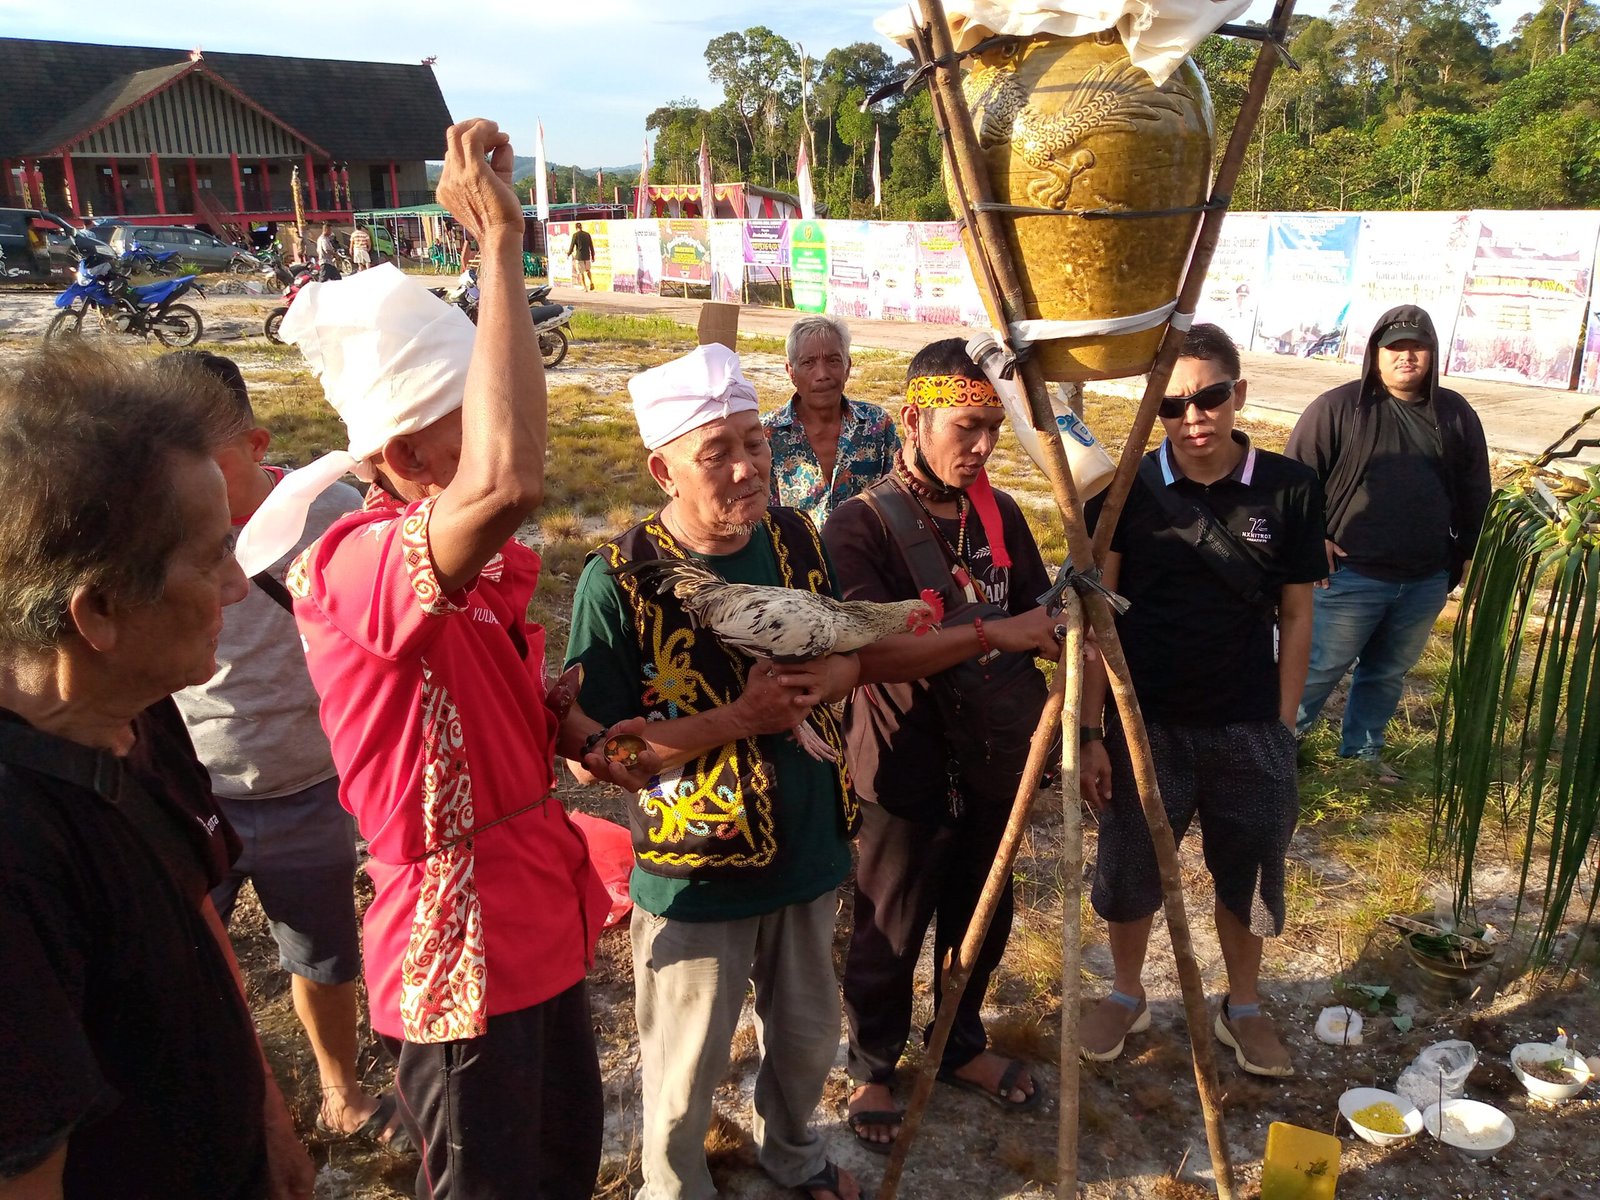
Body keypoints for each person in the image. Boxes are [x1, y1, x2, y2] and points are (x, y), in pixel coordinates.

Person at [247, 119, 648, 1200]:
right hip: (457, 943)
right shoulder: (356, 563)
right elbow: (514, 478)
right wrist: (499, 251)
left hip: (536, 908)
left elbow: (482, 713)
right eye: (462, 416)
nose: (489, 429)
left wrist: (560, 726)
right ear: (400, 456)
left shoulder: (468, 576)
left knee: (559, 1163)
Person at [0, 345, 313, 1200]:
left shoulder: (135, 710)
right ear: (97, 608)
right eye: (212, 557)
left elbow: (189, 908)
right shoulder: (19, 857)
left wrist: (267, 1118)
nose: (241, 587)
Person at [564, 343, 869, 1200]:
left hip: (811, 844)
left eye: (756, 444)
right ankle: (676, 1189)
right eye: (717, 453)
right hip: (699, 872)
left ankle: (795, 1156)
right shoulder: (619, 580)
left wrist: (839, 673)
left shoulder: (795, 536)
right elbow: (603, 754)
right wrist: (739, 720)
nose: (746, 470)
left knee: (807, 1040)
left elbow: (849, 647)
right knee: (683, 1067)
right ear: (662, 468)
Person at [822, 338, 1064, 1151]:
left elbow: (1041, 616)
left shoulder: (1003, 518)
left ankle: (958, 1044)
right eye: (966, 426)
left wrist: (1066, 634)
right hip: (902, 758)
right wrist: (999, 630)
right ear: (913, 418)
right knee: (888, 922)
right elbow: (869, 653)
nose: (983, 447)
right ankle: (873, 1064)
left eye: (994, 427)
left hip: (997, 751)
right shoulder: (858, 525)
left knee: (981, 914)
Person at [162, 353, 404, 1153]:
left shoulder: (331, 512)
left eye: (203, 462)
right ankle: (215, 1108)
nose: (179, 483)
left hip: (311, 785)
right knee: (184, 972)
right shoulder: (147, 526)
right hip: (196, 791)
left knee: (324, 954)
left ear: (257, 443)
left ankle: (340, 1090)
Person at [1077, 323, 1325, 1078]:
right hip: (1141, 724)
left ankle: (1242, 1006)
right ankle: (1126, 995)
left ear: (1237, 395)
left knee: (1248, 873)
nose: (1194, 417)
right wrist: (1090, 732)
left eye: (1209, 397)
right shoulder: (1123, 492)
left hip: (1248, 722)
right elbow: (1097, 617)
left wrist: (1283, 725)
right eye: (1174, 404)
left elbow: (1298, 613)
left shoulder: (1290, 489)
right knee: (1128, 870)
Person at [1287, 305, 1491, 780]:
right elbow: (1295, 481)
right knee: (1319, 669)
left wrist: (1467, 554)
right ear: (1375, 354)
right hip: (1348, 576)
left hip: (1424, 579)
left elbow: (1474, 488)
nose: (1406, 357)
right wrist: (1310, 538)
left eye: (1416, 346)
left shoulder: (1455, 413)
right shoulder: (1338, 408)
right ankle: (1279, 748)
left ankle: (1362, 755)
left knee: (1386, 673)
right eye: (1394, 347)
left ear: (1432, 353)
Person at [763, 313, 902, 530]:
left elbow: (898, 498)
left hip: (866, 557)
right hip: (795, 560)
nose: (822, 374)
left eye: (833, 361)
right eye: (808, 363)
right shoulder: (766, 434)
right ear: (791, 372)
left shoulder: (877, 425)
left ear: (847, 366)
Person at [570, 221, 595, 290]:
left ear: (576, 228)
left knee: (581, 273)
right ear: (581, 227)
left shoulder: (575, 235)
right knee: (588, 270)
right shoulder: (587, 234)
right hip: (587, 255)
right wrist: (593, 255)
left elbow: (572, 246)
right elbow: (591, 246)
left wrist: (569, 253)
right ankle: (591, 282)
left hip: (579, 256)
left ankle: (585, 287)